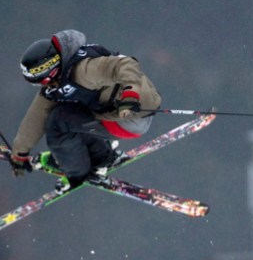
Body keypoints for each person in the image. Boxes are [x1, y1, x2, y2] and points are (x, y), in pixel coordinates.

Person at [10, 29, 162, 193]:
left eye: (41, 81)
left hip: (129, 115)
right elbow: (37, 116)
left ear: (50, 72)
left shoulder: (84, 70)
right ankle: (100, 157)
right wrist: (20, 151)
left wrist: (130, 94)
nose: (42, 86)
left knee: (58, 122)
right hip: (117, 113)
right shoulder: (57, 83)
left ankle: (78, 172)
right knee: (68, 110)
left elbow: (125, 64)